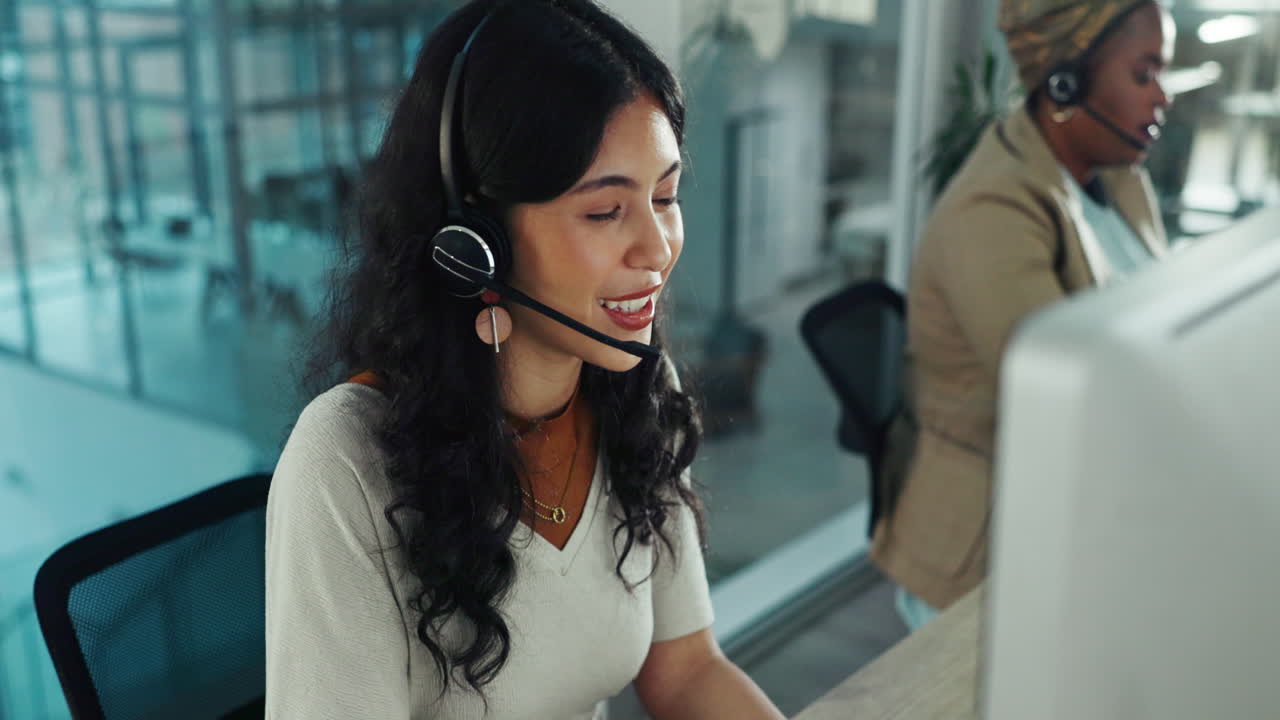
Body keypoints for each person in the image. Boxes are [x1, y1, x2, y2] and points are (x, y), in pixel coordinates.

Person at [264, 2, 786, 719]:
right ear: (473, 241)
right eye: (605, 212)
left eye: (665, 196)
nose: (658, 248)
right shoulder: (345, 462)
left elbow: (688, 670)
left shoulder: (637, 391)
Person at [871, 0, 1174, 631]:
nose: (1162, 97)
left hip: (1082, 509)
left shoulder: (1116, 176)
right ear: (1064, 84)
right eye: (1143, 75)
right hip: (988, 552)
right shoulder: (993, 211)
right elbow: (1068, 400)